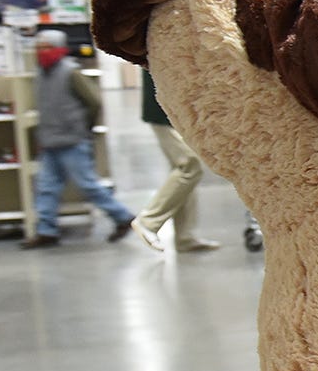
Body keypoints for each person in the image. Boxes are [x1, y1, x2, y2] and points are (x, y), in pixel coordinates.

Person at [21, 29, 133, 248]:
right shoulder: (40, 74)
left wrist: (84, 128)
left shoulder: (71, 72)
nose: (42, 52)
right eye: (39, 48)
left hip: (73, 140)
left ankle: (123, 217)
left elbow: (93, 101)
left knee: (88, 185)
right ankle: (46, 231)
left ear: (60, 49)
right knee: (46, 187)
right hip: (50, 140)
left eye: (47, 48)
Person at [131, 68, 221, 253]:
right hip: (163, 113)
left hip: (174, 113)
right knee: (190, 165)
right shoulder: (160, 40)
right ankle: (148, 221)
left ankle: (184, 237)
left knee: (184, 169)